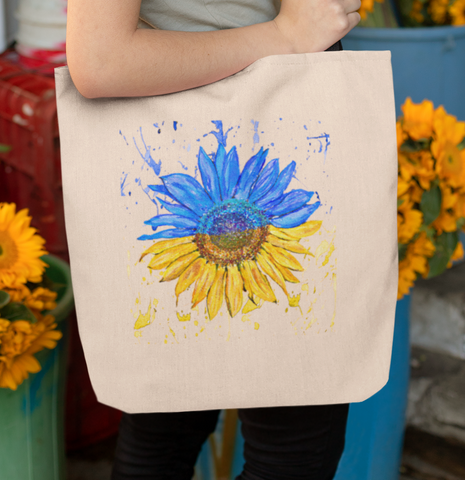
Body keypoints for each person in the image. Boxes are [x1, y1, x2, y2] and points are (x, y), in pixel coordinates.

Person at [65, 0, 361, 478]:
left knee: (165, 431)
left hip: (236, 136)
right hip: (243, 132)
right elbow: (100, 60)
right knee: (290, 455)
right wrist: (285, 36)